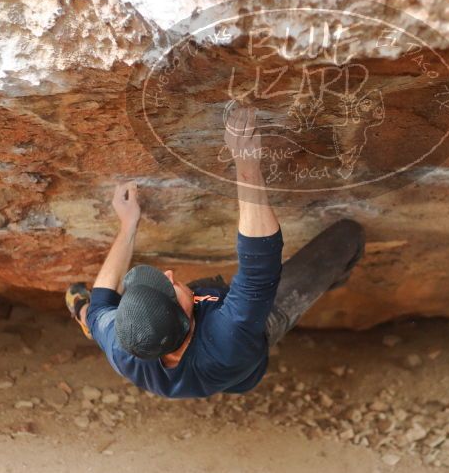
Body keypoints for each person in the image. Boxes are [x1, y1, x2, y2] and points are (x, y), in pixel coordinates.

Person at [65, 107, 365, 399]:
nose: (168, 274)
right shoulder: (227, 338)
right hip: (241, 359)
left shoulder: (122, 344)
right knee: (347, 236)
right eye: (168, 290)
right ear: (186, 319)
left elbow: (101, 302)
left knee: (92, 315)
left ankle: (81, 317)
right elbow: (259, 269)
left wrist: (128, 224)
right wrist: (246, 166)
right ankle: (333, 281)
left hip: (194, 342)